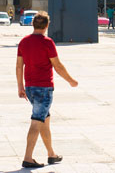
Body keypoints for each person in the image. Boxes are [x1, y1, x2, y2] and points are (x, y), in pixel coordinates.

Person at [16, 12, 78, 169]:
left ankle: (51, 154)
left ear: (32, 24)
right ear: (47, 25)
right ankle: (28, 158)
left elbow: (19, 66)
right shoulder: (47, 42)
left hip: (30, 87)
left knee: (45, 120)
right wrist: (71, 80)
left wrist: (20, 86)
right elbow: (57, 66)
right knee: (37, 121)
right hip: (43, 88)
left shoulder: (24, 42)